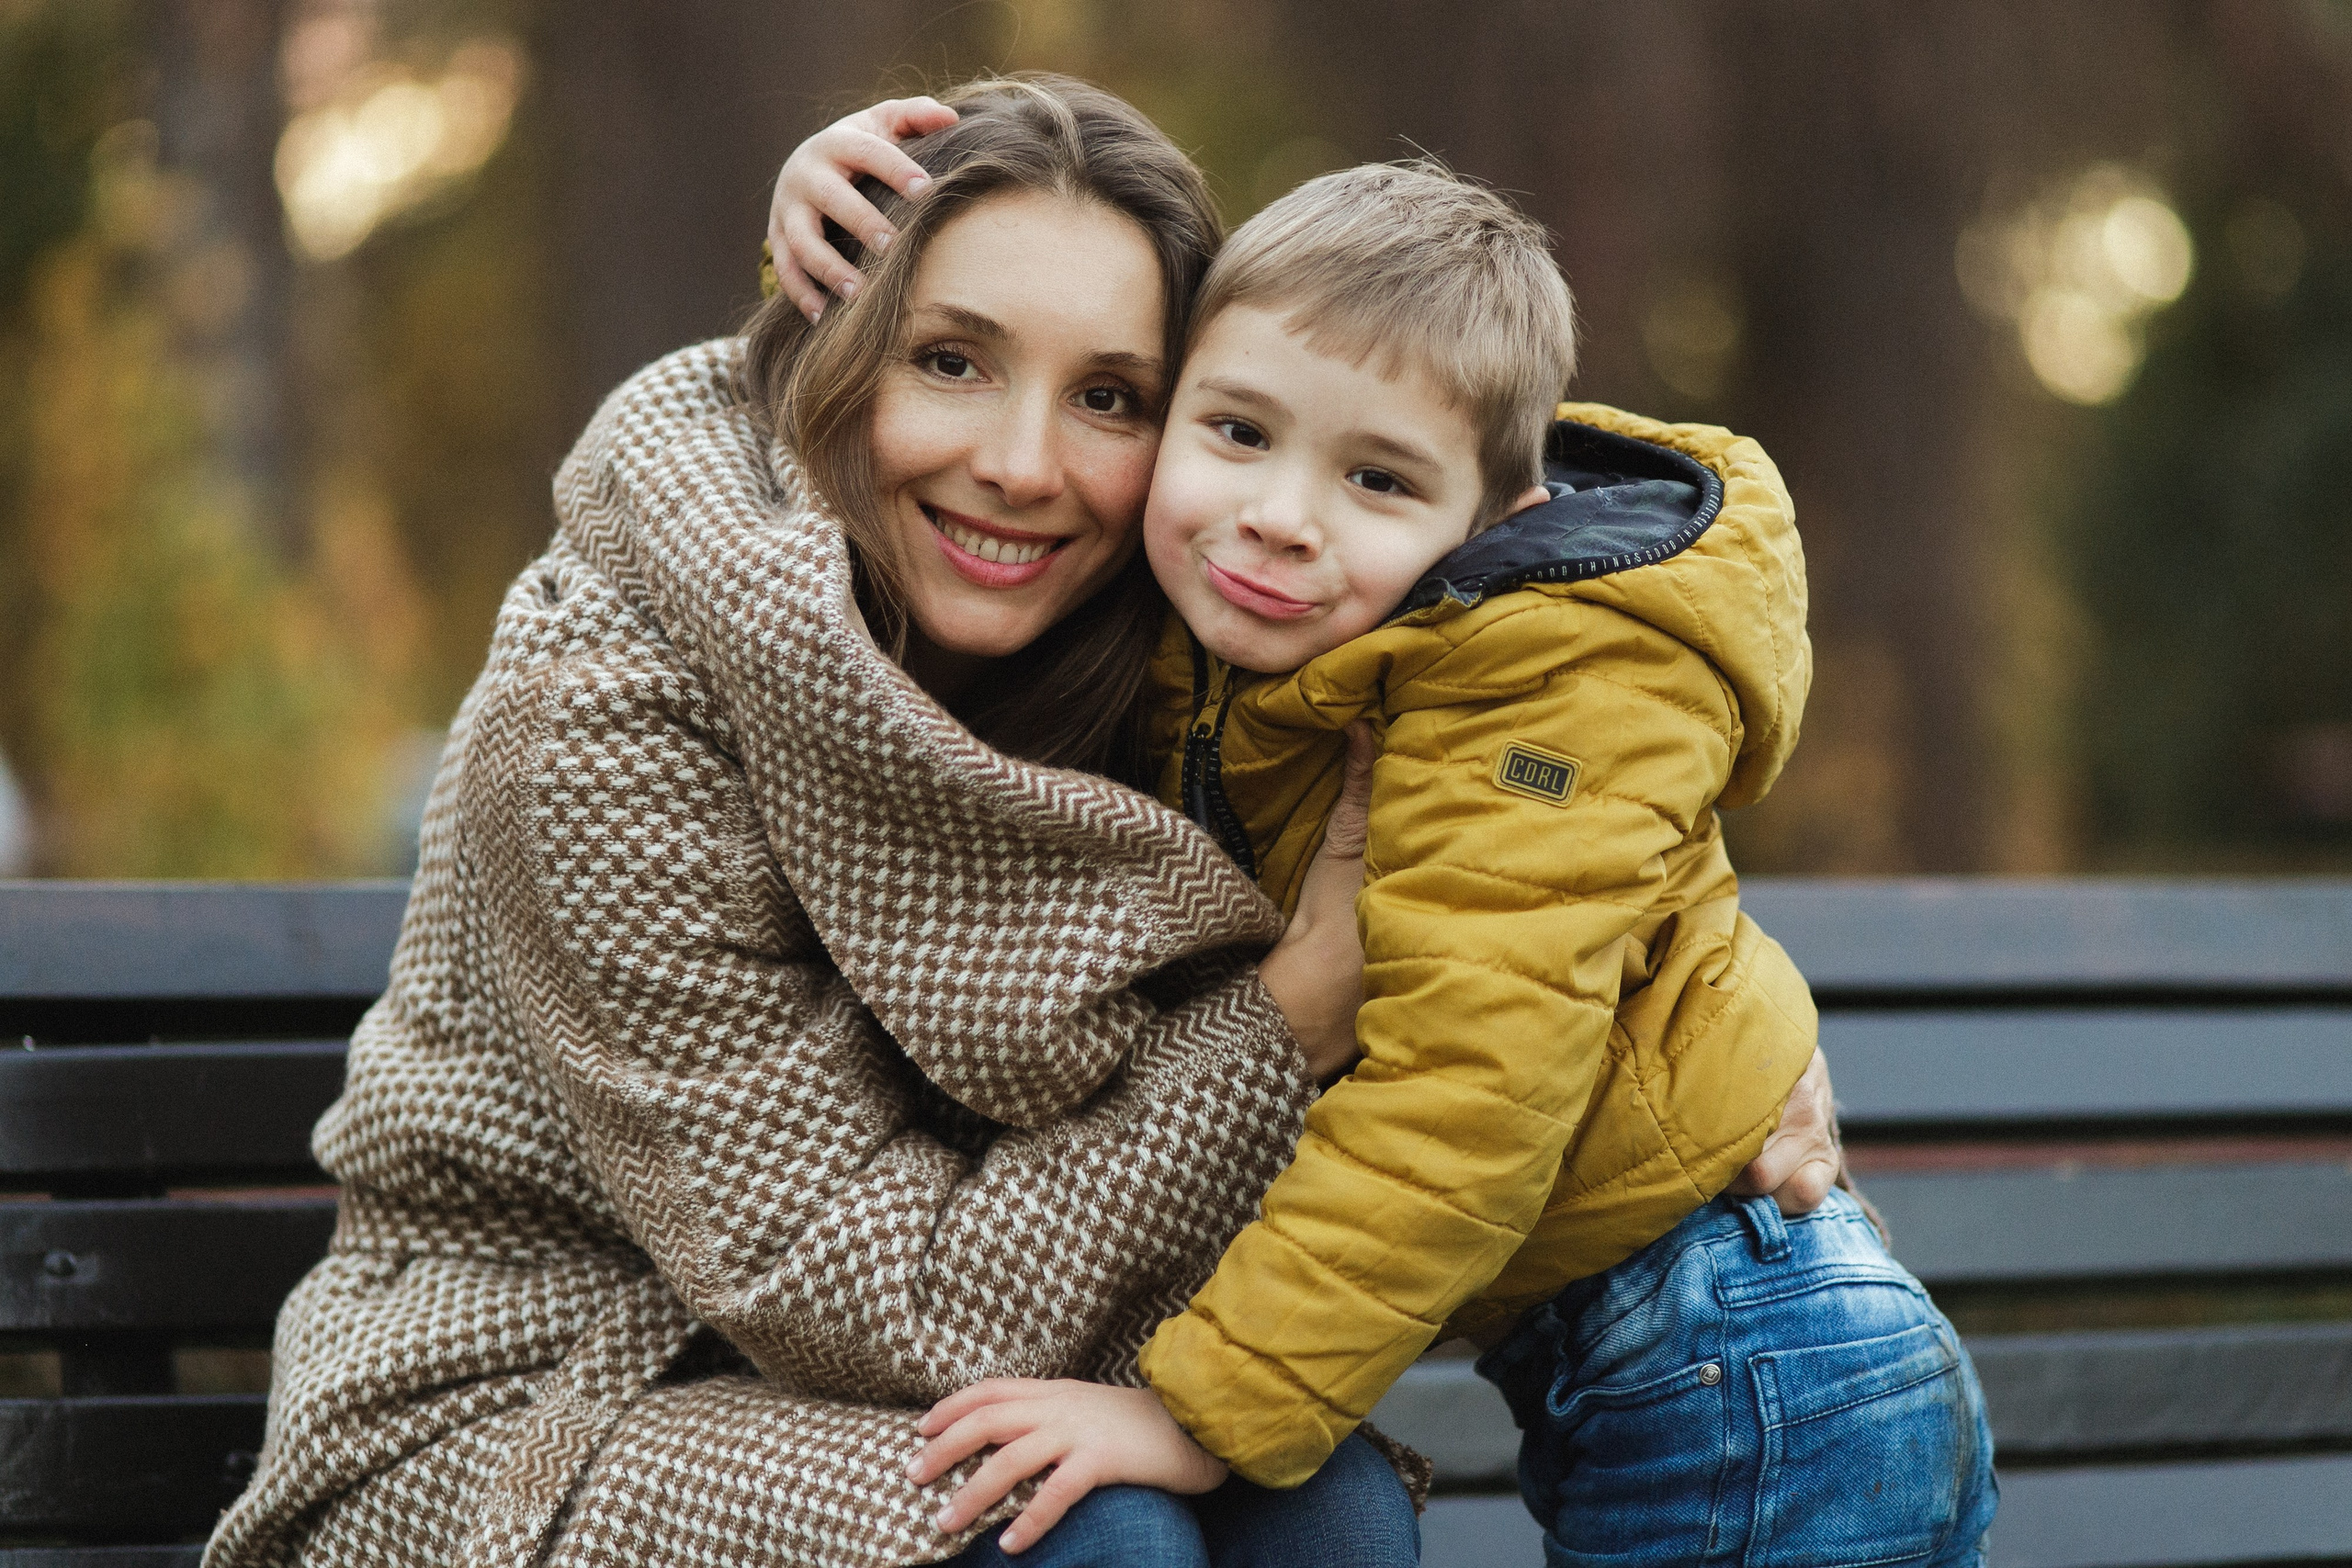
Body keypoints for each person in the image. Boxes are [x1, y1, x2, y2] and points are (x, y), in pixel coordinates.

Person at [772, 136, 1996, 1564]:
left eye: (1378, 481)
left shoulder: (1533, 686)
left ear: (1495, 524)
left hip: (1744, 1361)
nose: (1280, 520)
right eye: (1237, 433)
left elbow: (1468, 1093)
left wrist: (1199, 1419)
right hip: (1686, 1349)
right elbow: (985, 326)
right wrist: (821, 233)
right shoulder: (1256, 640)